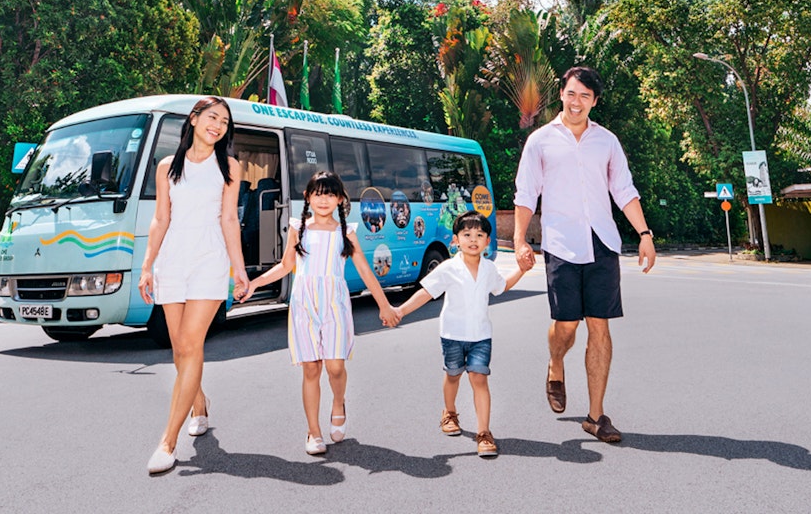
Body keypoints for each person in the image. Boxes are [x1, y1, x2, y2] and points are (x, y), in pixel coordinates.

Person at [513, 66, 656, 444]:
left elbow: (623, 189)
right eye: (572, 94)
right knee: (566, 327)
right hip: (560, 245)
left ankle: (596, 416)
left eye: (586, 97)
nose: (577, 103)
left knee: (600, 327)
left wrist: (644, 233)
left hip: (602, 244)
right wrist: (520, 240)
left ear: (595, 101)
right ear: (562, 93)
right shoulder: (540, 141)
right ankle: (555, 363)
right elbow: (526, 194)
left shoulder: (606, 141)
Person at [241, 171, 400, 455]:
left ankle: (338, 402)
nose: (323, 200)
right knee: (311, 368)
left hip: (335, 303)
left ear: (340, 199)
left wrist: (384, 305)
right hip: (304, 303)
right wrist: (255, 283)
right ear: (308, 197)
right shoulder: (297, 227)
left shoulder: (346, 231)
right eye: (318, 194)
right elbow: (286, 265)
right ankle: (313, 432)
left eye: (330, 194)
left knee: (335, 366)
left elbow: (364, 269)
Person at [137, 96, 250, 475]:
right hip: (172, 261)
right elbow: (159, 220)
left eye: (224, 122)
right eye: (212, 117)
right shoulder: (168, 166)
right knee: (178, 352)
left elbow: (230, 220)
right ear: (195, 119)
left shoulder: (229, 167)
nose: (217, 125)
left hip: (208, 261)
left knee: (190, 345)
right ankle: (198, 405)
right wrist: (147, 266)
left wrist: (239, 270)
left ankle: (168, 442)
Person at [392, 210, 533, 457]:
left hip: (480, 335)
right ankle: (449, 412)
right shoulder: (448, 268)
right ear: (456, 240)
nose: (473, 239)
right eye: (466, 234)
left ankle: (484, 433)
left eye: (479, 234)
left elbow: (501, 288)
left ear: (488, 241)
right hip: (453, 334)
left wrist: (521, 270)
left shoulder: (489, 269)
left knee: (479, 378)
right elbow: (426, 292)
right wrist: (400, 311)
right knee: (454, 375)